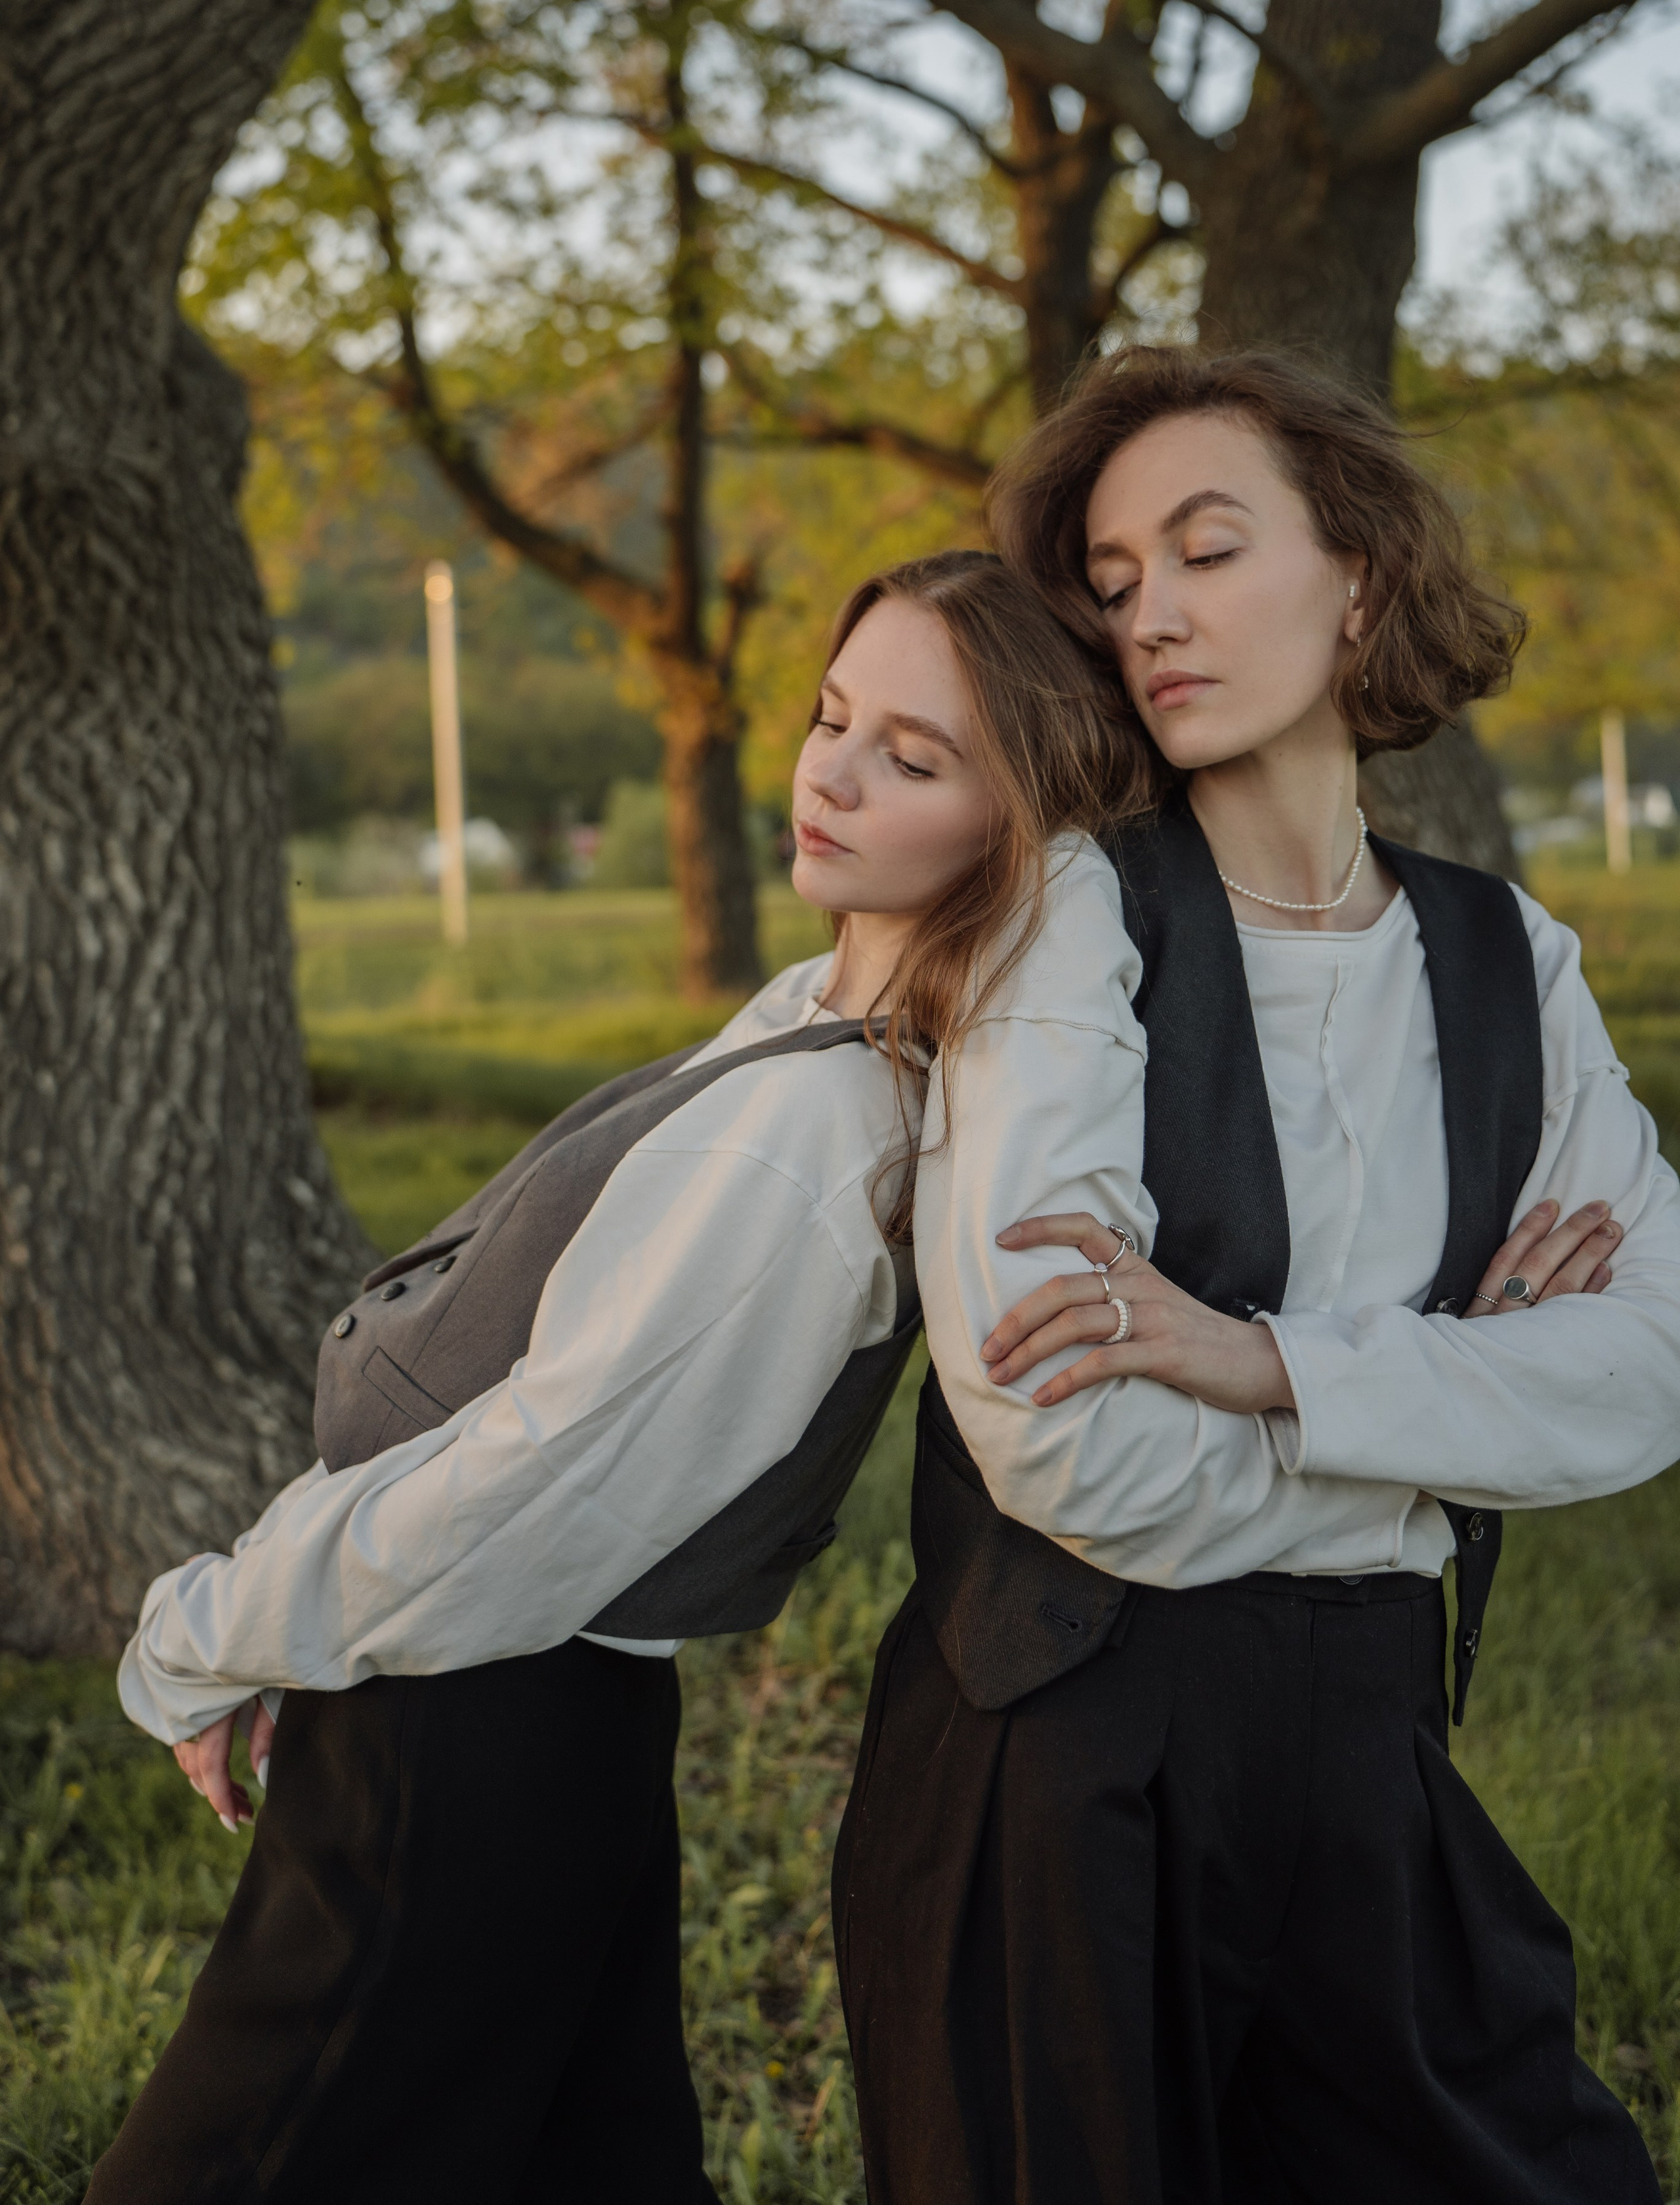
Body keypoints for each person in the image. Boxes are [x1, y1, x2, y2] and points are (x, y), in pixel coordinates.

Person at [91, 551, 1129, 2205]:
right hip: (516, 1708)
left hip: (474, 1718)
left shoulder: (816, 1133)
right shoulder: (811, 1017)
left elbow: (538, 1483)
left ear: (1018, 835)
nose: (830, 774)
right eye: (831, 715)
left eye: (912, 760)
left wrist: (209, 1629)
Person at [833, 347, 1679, 2205]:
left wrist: (1264, 1362)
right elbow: (1063, 1442)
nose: (1157, 617)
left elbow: (1651, 1367)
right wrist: (1456, 1395)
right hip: (1070, 1762)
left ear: (1359, 580)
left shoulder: (1501, 954)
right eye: (1116, 585)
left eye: (1209, 552)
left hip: (1378, 1742)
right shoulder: (1068, 909)